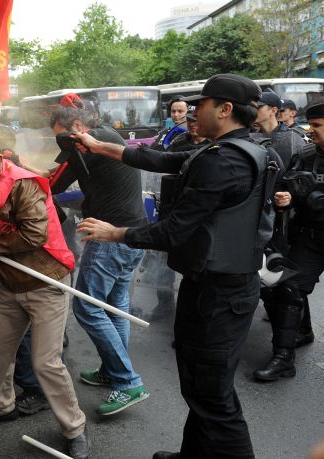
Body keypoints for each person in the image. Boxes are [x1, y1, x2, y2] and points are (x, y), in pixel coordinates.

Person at [73, 74, 273, 458]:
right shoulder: (241, 150)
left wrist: (116, 234)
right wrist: (99, 146)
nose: (194, 111)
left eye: (201, 104)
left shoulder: (224, 161)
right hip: (222, 287)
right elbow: (163, 159)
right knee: (201, 388)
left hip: (217, 294)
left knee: (213, 396)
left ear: (225, 109)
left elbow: (174, 231)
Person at [0, 130, 88, 459]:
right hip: (10, 284)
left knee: (46, 363)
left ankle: (74, 428)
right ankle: (0, 407)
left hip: (46, 282)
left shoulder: (22, 184)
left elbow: (35, 233)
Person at [50, 106, 150, 416]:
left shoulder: (88, 143)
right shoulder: (109, 136)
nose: (60, 144)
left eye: (60, 136)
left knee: (87, 306)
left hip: (110, 237)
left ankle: (127, 381)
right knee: (114, 305)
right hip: (132, 233)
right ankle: (113, 371)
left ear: (77, 125)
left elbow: (53, 184)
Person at [253, 103, 324, 381]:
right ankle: (284, 356)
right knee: (287, 289)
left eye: (317, 126)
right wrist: (286, 200)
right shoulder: (306, 155)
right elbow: (286, 187)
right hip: (310, 236)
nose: (311, 131)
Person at [253, 91, 307, 170]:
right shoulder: (249, 137)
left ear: (273, 110)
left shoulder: (295, 136)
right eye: (251, 107)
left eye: (258, 107)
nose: (253, 111)